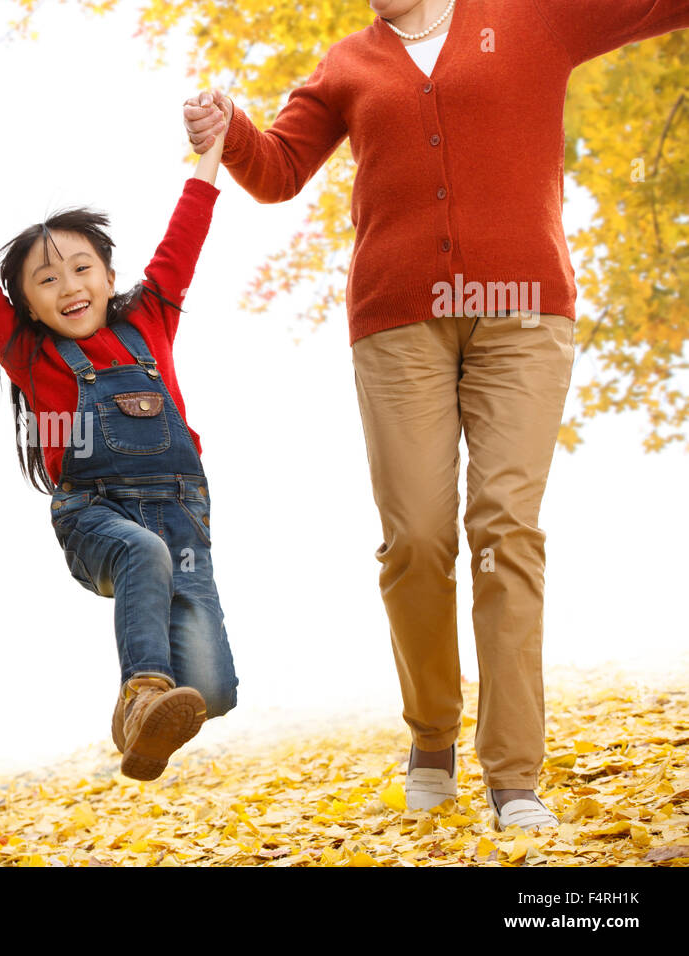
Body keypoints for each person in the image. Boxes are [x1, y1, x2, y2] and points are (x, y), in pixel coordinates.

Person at [183, 0, 689, 829]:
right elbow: (276, 170)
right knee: (415, 538)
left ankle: (514, 776)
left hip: (524, 314)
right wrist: (227, 124)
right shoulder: (347, 64)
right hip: (396, 323)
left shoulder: (534, 19)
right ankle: (430, 735)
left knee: (505, 528)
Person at [0, 120, 239, 782]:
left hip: (180, 514)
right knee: (144, 553)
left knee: (212, 690)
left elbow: (186, 234)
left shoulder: (151, 322)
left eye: (82, 269)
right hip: (95, 515)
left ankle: (143, 732)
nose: (70, 286)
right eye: (46, 280)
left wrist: (212, 149)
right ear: (25, 304)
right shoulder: (34, 356)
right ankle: (140, 694)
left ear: (111, 277)